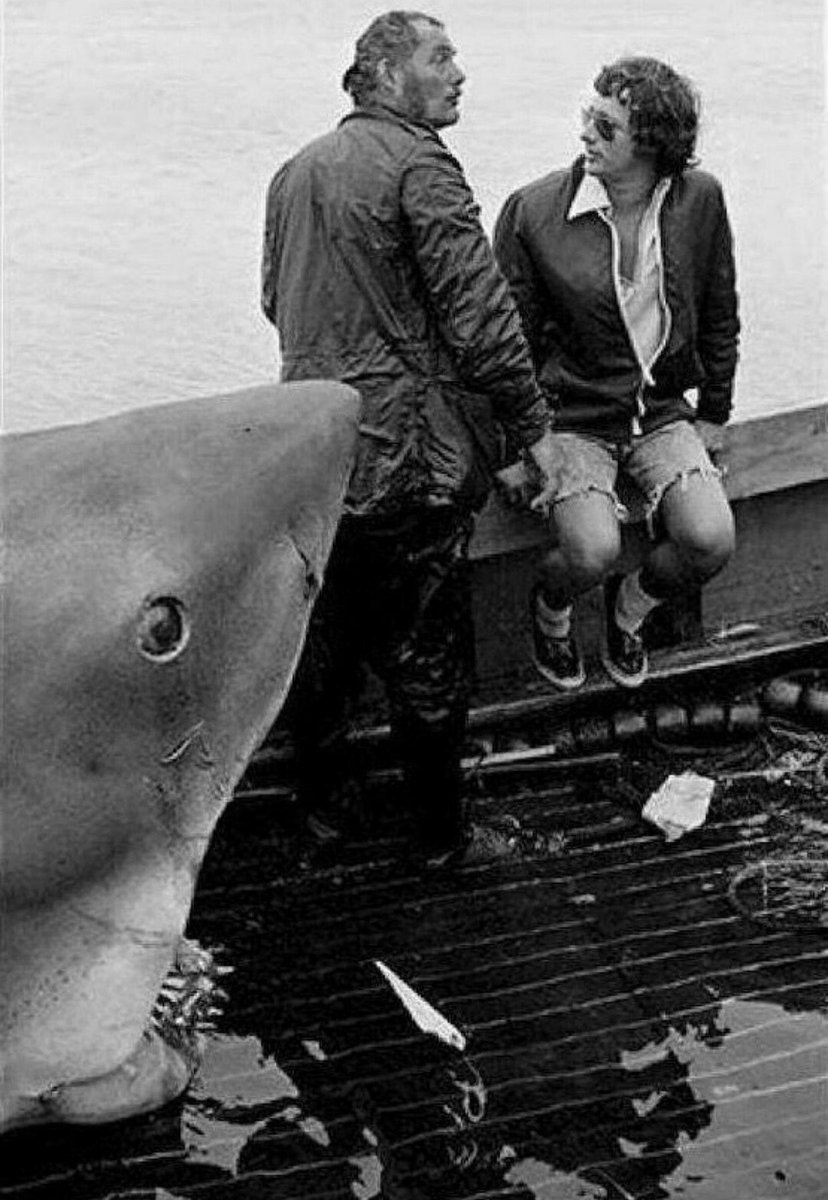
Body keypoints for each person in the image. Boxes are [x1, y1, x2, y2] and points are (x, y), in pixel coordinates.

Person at [261, 11, 559, 867]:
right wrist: (534, 431)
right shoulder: (421, 165)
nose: (459, 72)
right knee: (426, 656)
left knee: (328, 650)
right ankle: (439, 840)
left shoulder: (293, 172)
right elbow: (481, 317)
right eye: (441, 57)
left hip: (315, 451)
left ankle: (323, 818)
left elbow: (275, 303)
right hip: (406, 458)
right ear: (388, 77)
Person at [494, 56, 739, 691]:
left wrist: (714, 411)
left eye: (606, 126)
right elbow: (502, 344)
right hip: (570, 417)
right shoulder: (534, 213)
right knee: (591, 550)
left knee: (710, 539)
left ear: (652, 143)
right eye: (587, 118)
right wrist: (514, 444)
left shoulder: (700, 200)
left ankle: (627, 610)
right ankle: (551, 612)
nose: (585, 134)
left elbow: (719, 309)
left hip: (660, 412)